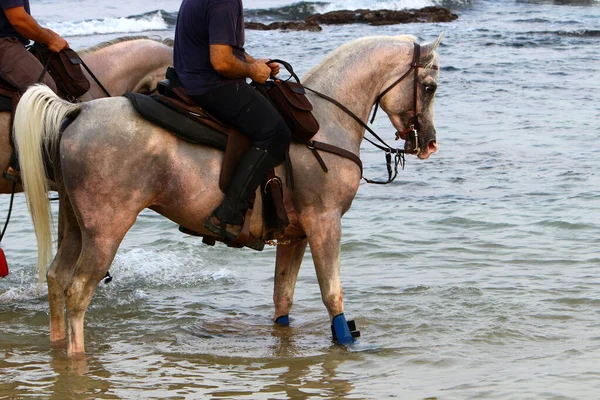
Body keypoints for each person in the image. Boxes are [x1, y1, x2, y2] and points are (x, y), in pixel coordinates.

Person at [173, 0, 292, 242]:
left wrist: (256, 64)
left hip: (189, 79)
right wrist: (250, 72)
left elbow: (230, 50)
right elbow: (222, 62)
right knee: (276, 133)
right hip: (210, 85)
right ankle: (228, 214)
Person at [0, 0, 69, 93]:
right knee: (44, 89)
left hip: (10, 39)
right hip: (4, 43)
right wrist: (51, 40)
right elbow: (19, 20)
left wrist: (41, 31)